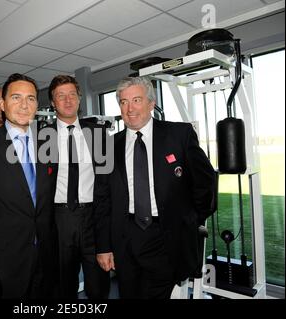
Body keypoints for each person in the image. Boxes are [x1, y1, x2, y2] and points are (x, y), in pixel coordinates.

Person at [95, 76, 216, 299]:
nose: (129, 109)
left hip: (165, 236)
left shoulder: (179, 135)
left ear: (151, 103)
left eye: (137, 100)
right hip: (125, 237)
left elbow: (206, 181)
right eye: (123, 102)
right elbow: (102, 200)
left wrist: (192, 218)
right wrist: (103, 246)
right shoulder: (109, 146)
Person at [0, 73, 58, 298]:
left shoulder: (48, 142)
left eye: (31, 98)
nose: (24, 105)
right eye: (16, 98)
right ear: (3, 104)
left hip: (46, 254)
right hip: (4, 259)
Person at [47, 75, 110, 299]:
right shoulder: (41, 138)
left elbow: (106, 187)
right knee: (62, 286)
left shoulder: (99, 135)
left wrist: (106, 240)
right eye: (60, 96)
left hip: (93, 218)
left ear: (79, 99)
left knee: (99, 285)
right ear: (52, 102)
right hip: (58, 220)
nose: (67, 100)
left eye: (72, 94)